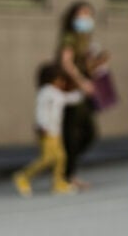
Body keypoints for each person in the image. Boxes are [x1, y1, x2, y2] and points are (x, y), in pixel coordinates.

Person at [12, 62, 92, 196]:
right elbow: (41, 111)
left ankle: (58, 183)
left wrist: (82, 91)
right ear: (51, 79)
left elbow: (69, 99)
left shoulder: (56, 93)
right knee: (48, 158)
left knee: (61, 157)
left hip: (56, 132)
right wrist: (42, 125)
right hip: (47, 131)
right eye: (59, 79)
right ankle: (23, 176)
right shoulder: (46, 93)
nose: (61, 83)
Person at [56, 1, 109, 189]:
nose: (85, 18)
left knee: (86, 133)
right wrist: (82, 82)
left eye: (88, 14)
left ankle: (65, 171)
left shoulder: (86, 39)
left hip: (82, 94)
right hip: (71, 93)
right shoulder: (70, 38)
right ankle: (65, 174)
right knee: (73, 133)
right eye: (81, 14)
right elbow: (66, 63)